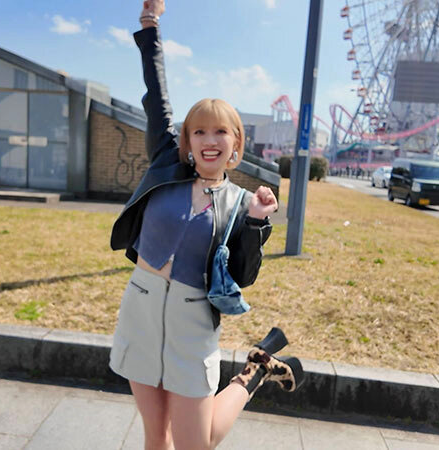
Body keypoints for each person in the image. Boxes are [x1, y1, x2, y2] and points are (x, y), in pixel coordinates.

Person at [108, 2, 304, 449]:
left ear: (236, 143)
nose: (209, 140)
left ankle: (252, 374)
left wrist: (256, 222)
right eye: (199, 132)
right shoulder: (166, 164)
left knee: (198, 442)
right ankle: (256, 369)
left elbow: (243, 276)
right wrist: (150, 26)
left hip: (192, 325)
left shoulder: (242, 202)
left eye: (220, 132)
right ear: (187, 140)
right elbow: (155, 95)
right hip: (140, 311)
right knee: (156, 436)